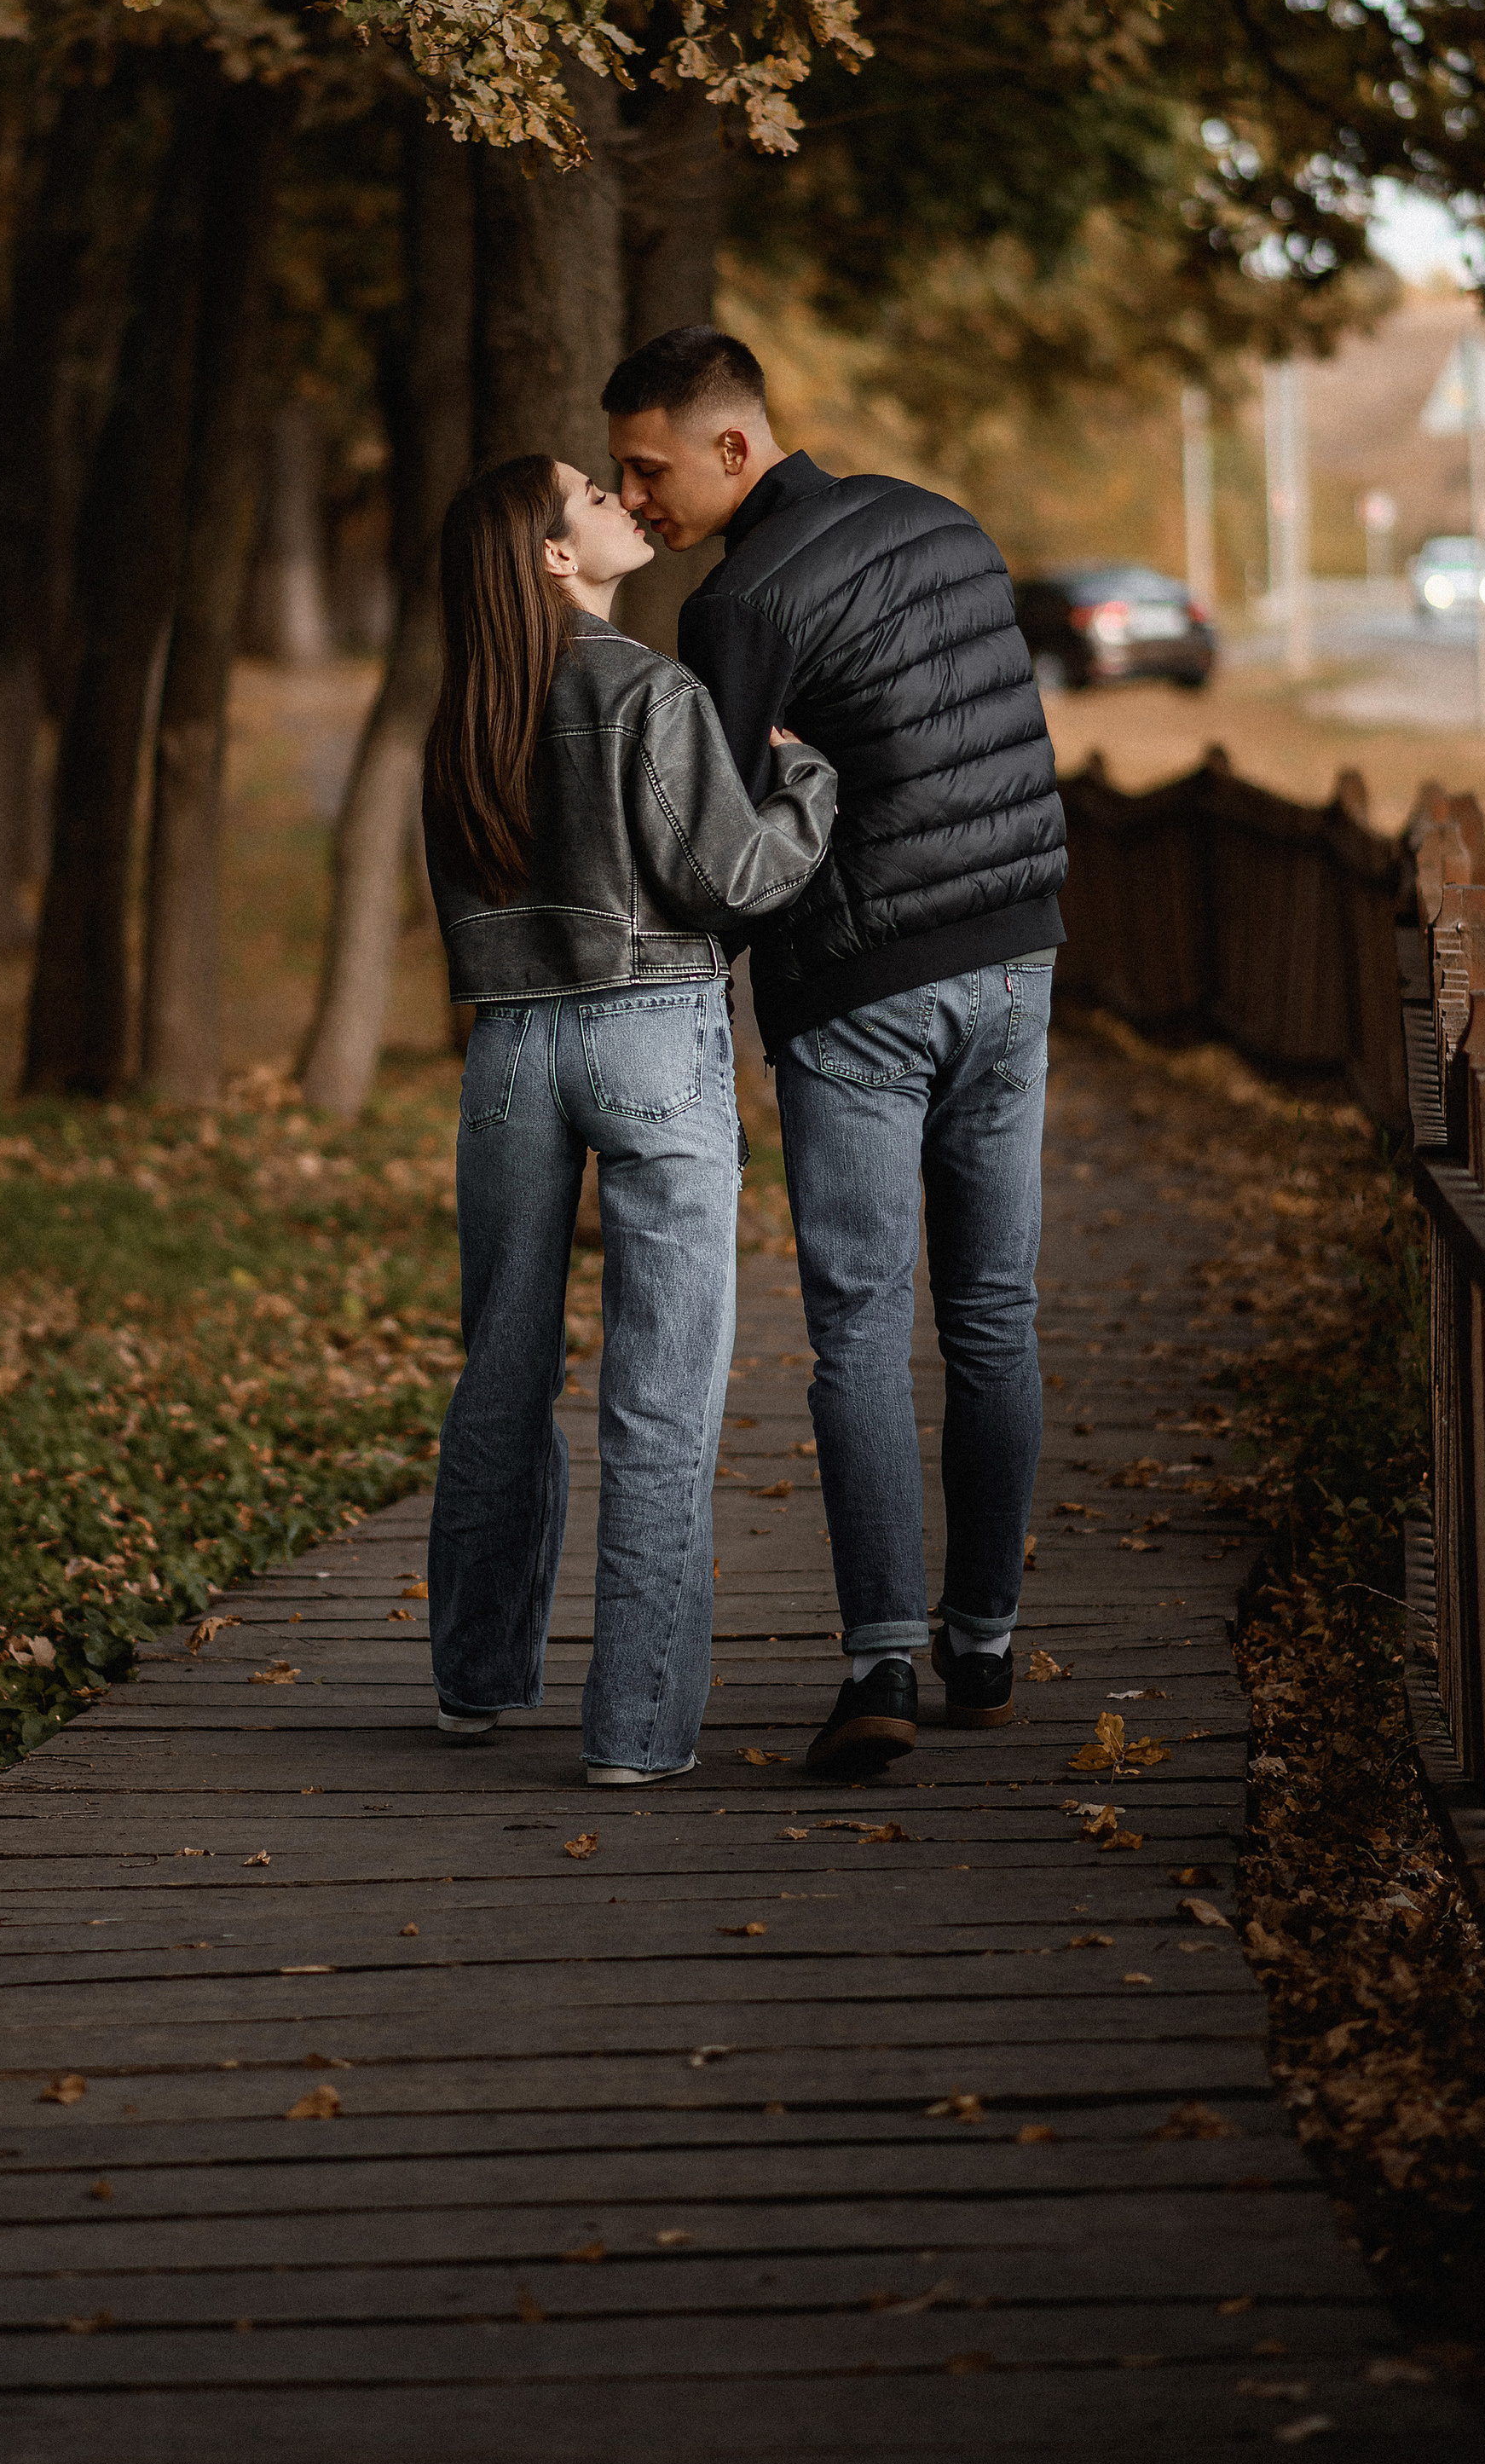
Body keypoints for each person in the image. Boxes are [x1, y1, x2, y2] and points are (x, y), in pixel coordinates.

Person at [604, 327, 1066, 1783]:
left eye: (650, 469)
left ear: (734, 448)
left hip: (863, 992)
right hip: (1018, 962)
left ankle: (881, 1666)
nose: (637, 501)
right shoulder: (948, 523)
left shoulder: (740, 602)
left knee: (862, 1329)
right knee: (994, 1311)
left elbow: (734, 848)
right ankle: (985, 1644)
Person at [421, 452, 836, 1786]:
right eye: (592, 498)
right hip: (651, 1029)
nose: (618, 501)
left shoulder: (465, 718)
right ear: (556, 555)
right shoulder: (646, 690)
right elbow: (727, 877)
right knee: (659, 1393)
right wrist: (806, 789)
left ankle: (476, 1681)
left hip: (510, 1047)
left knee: (502, 1368)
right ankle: (638, 1732)